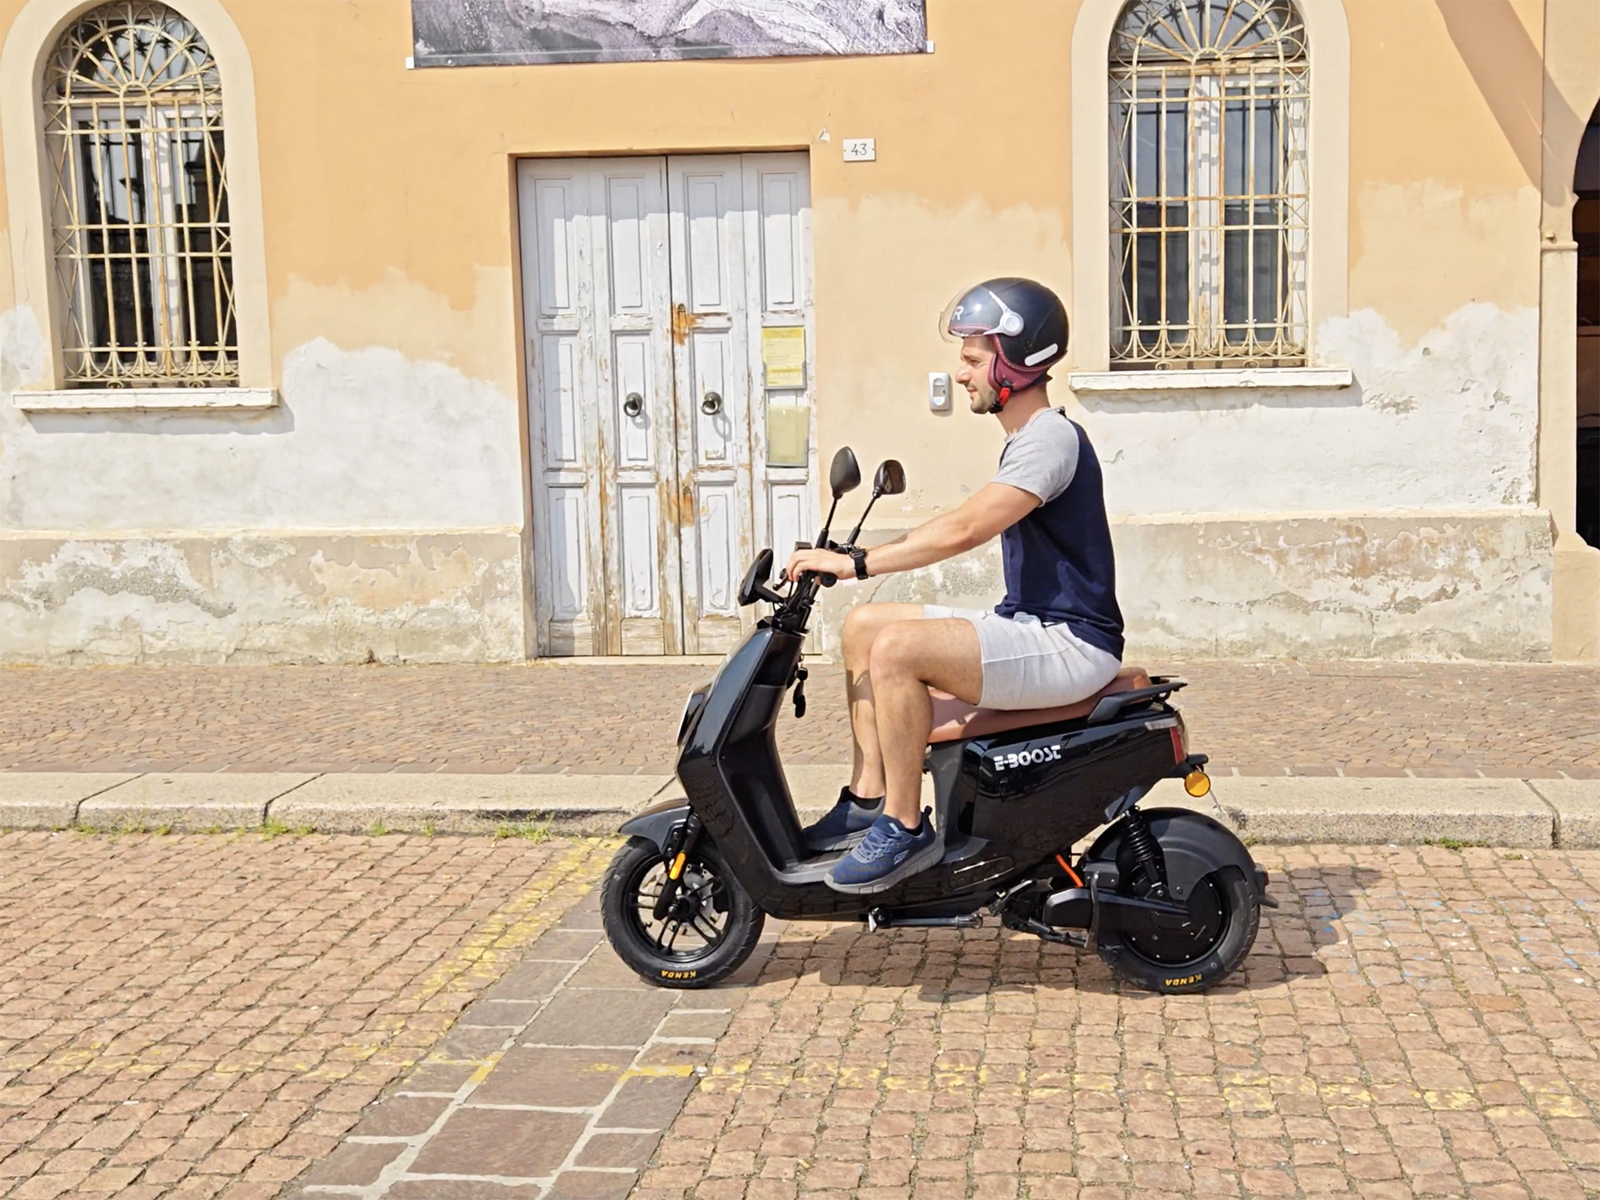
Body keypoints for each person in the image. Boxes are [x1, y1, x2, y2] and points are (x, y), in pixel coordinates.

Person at [784, 277, 1124, 895]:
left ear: (1016, 360)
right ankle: (869, 798)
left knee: (897, 650)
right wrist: (853, 562)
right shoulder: (1028, 438)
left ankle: (903, 824)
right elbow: (958, 525)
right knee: (865, 626)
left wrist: (857, 564)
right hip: (1030, 624)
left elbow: (967, 528)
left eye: (972, 359)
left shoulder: (1049, 437)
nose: (961, 373)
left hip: (1071, 641)